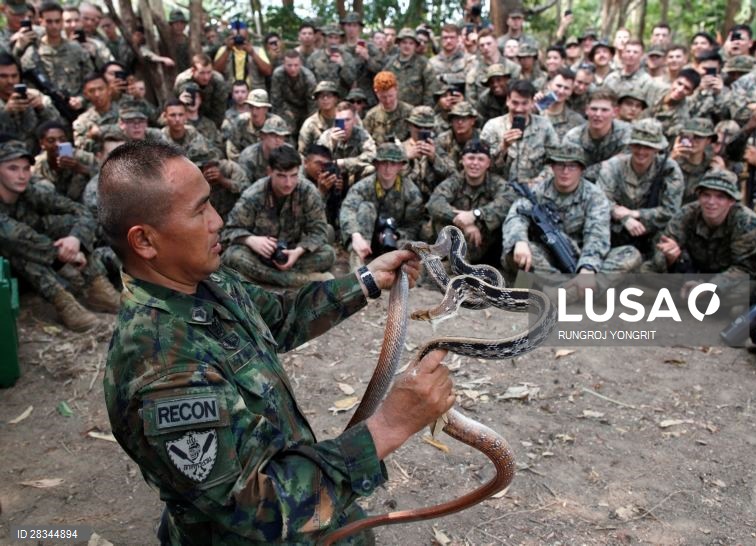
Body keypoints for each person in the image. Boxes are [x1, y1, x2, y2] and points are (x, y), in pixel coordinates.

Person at [99, 139, 455, 544]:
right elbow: (253, 509)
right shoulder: (163, 366)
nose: (218, 221)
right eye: (199, 211)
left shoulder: (204, 281)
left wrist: (367, 281)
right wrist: (390, 426)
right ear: (145, 241)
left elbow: (281, 318)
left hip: (302, 487)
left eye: (211, 203)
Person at [0, 139, 119, 331]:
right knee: (17, 248)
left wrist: (75, 239)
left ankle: (98, 288)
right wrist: (62, 254)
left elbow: (79, 211)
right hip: (14, 271)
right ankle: (62, 301)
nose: (22, 175)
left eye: (25, 168)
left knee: (65, 224)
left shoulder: (30, 192)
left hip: (43, 258)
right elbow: (17, 237)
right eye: (12, 168)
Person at [502, 144, 642, 276]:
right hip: (547, 255)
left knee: (631, 254)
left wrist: (588, 267)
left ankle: (563, 288)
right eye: (560, 165)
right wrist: (520, 241)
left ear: (581, 169)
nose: (565, 171)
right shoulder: (537, 191)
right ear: (552, 167)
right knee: (520, 252)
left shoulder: (594, 196)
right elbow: (516, 216)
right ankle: (568, 289)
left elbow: (597, 235)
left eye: (572, 166)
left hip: (581, 253)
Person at [221, 145, 335, 287]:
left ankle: (263, 277)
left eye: (293, 176)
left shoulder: (307, 191)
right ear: (270, 172)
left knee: (328, 253)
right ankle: (300, 280)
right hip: (260, 255)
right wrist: (251, 240)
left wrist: (298, 251)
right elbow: (228, 231)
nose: (288, 183)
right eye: (281, 176)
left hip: (292, 251)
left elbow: (319, 231)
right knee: (233, 256)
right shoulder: (254, 194)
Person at [641, 169, 756, 295]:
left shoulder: (745, 220)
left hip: (725, 280)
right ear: (699, 196)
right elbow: (664, 247)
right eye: (706, 195)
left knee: (747, 290)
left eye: (720, 197)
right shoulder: (688, 213)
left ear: (731, 201)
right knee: (646, 271)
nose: (711, 202)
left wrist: (711, 286)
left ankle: (681, 298)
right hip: (694, 274)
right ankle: (692, 297)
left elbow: (745, 268)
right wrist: (670, 258)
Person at [597, 118, 684, 256]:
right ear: (630, 145)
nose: (641, 151)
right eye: (637, 145)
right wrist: (623, 217)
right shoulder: (613, 166)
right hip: (616, 229)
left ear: (657, 149)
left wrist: (634, 214)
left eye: (648, 147)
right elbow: (599, 201)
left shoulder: (669, 169)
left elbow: (671, 211)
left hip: (655, 231)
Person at [426, 139, 514, 264]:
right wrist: (463, 221)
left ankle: (515, 275)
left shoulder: (497, 183)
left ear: (488, 163)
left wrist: (475, 214)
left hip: (490, 246)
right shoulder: (454, 181)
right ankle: (458, 266)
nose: (475, 163)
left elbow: (508, 201)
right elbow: (434, 203)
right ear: (462, 160)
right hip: (460, 245)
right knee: (440, 220)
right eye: (471, 158)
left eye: (480, 159)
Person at [339, 143, 423, 271]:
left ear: (400, 166)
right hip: (365, 239)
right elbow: (347, 209)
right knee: (366, 208)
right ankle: (357, 268)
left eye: (393, 164)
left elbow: (413, 225)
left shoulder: (411, 191)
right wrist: (356, 235)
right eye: (383, 163)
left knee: (409, 251)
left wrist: (397, 235)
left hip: (393, 240)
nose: (388, 169)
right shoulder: (363, 186)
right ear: (376, 164)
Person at [481, 79, 559, 183]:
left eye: (524, 103)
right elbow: (482, 166)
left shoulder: (545, 127)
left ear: (532, 102)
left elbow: (555, 160)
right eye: (515, 103)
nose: (519, 109)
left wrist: (538, 182)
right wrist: (503, 147)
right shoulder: (492, 127)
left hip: (535, 190)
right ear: (507, 101)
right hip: (500, 189)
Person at [562, 89, 632, 182]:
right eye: (594, 109)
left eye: (604, 110)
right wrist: (609, 163)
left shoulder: (626, 132)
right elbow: (571, 172)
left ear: (615, 112)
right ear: (586, 110)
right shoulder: (573, 137)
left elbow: (625, 166)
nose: (598, 114)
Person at [33, 120, 97, 200]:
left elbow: (107, 177)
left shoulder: (85, 158)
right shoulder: (37, 164)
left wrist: (80, 168)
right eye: (51, 141)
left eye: (62, 139)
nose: (58, 144)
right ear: (42, 144)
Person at [383, 28, 438, 107]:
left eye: (411, 43)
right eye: (404, 42)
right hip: (394, 110)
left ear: (415, 46)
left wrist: (426, 109)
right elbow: (383, 88)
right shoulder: (390, 64)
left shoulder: (423, 63)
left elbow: (431, 88)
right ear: (398, 44)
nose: (407, 46)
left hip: (416, 113)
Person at [269, 50, 317, 139]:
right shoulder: (278, 74)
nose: (293, 69)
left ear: (301, 64)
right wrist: (277, 118)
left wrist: (310, 121)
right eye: (289, 65)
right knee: (284, 129)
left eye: (296, 65)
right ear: (283, 64)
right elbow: (276, 99)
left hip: (304, 108)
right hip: (287, 107)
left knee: (308, 132)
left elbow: (312, 104)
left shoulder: (309, 78)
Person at [174, 54, 230, 127]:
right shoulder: (182, 80)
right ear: (193, 71)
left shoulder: (217, 80)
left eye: (209, 72)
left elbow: (219, 109)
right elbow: (175, 102)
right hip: (188, 116)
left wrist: (214, 128)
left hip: (210, 111)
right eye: (202, 73)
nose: (206, 77)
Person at [362, 71, 413, 146]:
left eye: (390, 96)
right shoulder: (371, 117)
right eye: (383, 97)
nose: (387, 101)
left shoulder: (410, 113)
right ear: (376, 93)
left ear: (396, 90)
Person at [237, 116, 291, 182]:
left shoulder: (290, 153)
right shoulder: (248, 156)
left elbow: (299, 182)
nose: (278, 140)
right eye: (273, 135)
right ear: (263, 135)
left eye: (281, 136)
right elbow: (243, 187)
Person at [298, 81, 340, 155]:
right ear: (316, 100)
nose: (325, 99)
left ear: (336, 99)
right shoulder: (310, 124)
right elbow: (302, 153)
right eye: (321, 96)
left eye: (329, 95)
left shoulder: (347, 118)